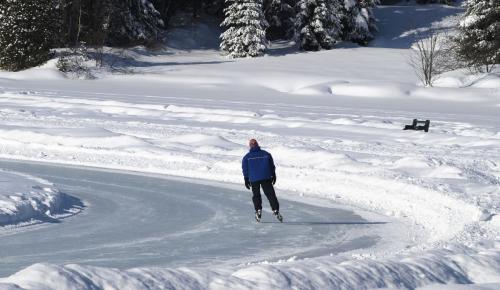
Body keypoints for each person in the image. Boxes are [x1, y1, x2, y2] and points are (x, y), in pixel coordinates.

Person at [242, 139, 283, 223]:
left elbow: (245, 169)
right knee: (270, 194)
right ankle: (275, 209)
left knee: (256, 195)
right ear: (257, 145)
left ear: (250, 146)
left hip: (254, 179)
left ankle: (258, 210)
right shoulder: (266, 154)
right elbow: (271, 165)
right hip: (266, 177)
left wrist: (246, 178)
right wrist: (273, 175)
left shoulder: (247, 157)